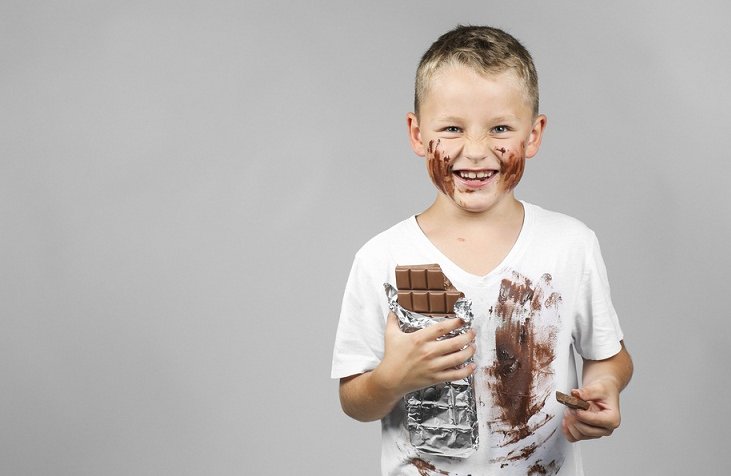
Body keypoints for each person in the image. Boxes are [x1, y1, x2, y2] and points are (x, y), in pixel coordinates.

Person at [331, 25, 633, 475]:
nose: (475, 151)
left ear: (533, 135)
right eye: (451, 128)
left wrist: (605, 384)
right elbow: (354, 399)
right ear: (417, 134)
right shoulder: (380, 257)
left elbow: (609, 355)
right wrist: (392, 379)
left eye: (500, 128)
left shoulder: (571, 245)